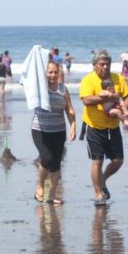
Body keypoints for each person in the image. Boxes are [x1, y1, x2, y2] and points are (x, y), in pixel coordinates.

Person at [79, 49, 128, 206]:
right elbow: (86, 100)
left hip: (113, 126)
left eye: (107, 64)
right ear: (94, 65)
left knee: (118, 160)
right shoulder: (88, 80)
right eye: (101, 64)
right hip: (94, 126)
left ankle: (102, 179)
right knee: (97, 161)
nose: (105, 67)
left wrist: (122, 108)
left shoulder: (118, 78)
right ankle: (99, 194)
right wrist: (105, 97)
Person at [32, 60, 76, 205]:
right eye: (50, 72)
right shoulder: (39, 88)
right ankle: (40, 185)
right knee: (47, 157)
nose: (53, 75)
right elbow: (25, 82)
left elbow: (69, 109)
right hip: (40, 129)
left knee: (56, 163)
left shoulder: (63, 89)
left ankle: (51, 194)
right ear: (44, 74)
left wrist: (73, 126)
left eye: (55, 72)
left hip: (59, 130)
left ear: (59, 73)